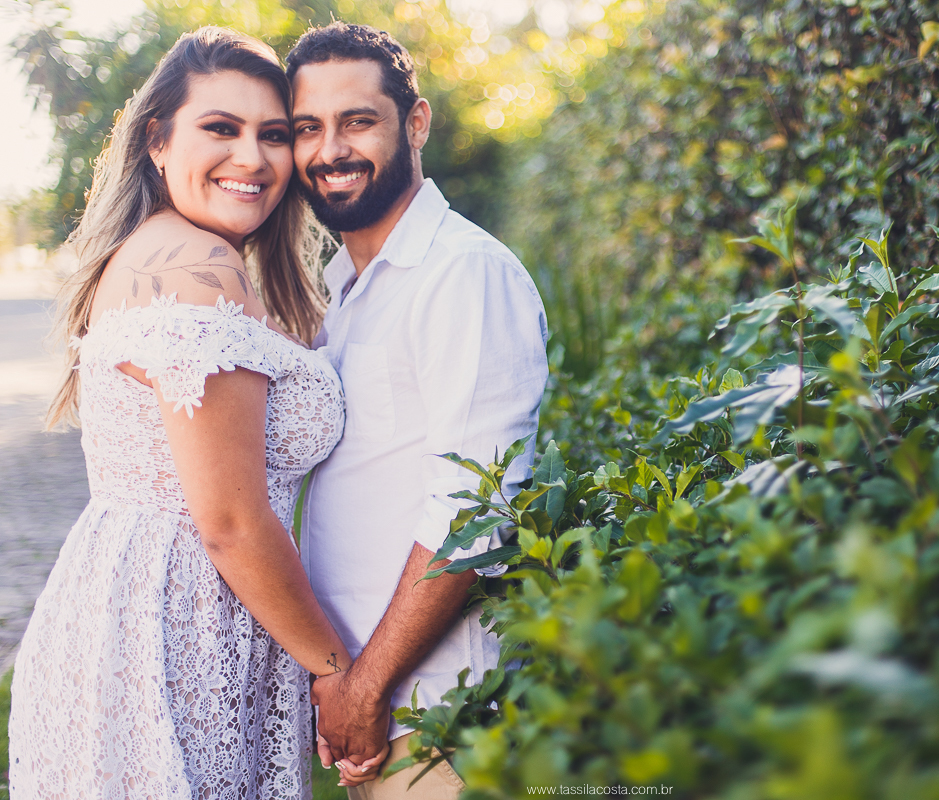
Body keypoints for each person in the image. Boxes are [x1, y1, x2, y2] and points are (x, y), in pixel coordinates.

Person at [8, 27, 356, 799]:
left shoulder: (161, 251)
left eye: (273, 134)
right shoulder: (200, 272)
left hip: (132, 609)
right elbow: (230, 522)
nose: (253, 158)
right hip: (177, 628)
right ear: (158, 142)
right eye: (221, 129)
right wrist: (335, 671)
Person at [286, 22, 549, 798]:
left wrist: (367, 688)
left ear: (417, 122)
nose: (330, 150)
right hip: (371, 701)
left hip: (437, 712)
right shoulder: (342, 282)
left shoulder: (463, 274)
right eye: (308, 128)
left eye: (357, 121)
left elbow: (476, 508)